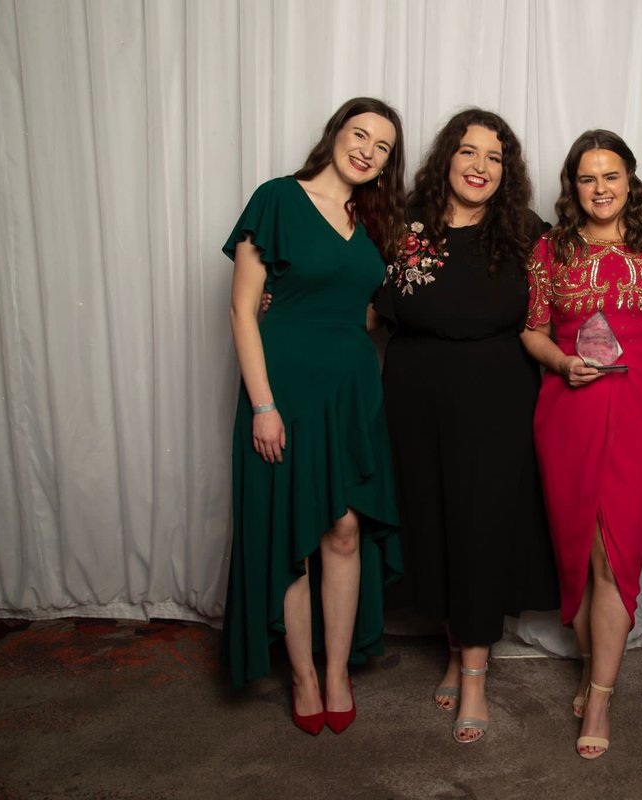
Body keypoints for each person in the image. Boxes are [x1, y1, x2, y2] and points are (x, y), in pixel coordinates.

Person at [221, 97, 407, 736]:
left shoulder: (374, 221)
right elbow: (244, 309)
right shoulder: (276, 198)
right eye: (360, 135)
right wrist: (264, 405)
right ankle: (302, 675)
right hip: (287, 390)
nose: (368, 150)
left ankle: (337, 670)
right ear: (335, 134)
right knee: (293, 537)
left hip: (353, 392)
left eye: (382, 146)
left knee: (346, 530)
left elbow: (364, 310)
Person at [374, 108, 559, 744]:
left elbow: (583, 286)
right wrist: (278, 298)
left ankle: (476, 675)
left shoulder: (528, 232)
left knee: (481, 530)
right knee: (437, 526)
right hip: (415, 402)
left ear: (507, 172)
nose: (480, 167)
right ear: (446, 158)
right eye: (468, 152)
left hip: (496, 403)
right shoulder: (404, 226)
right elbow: (364, 301)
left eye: (495, 157)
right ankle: (455, 649)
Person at [521, 130, 642, 760]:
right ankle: (594, 670)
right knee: (581, 558)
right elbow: (531, 332)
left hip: (639, 409)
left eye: (611, 175)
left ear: (630, 180)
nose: (601, 188)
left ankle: (604, 693)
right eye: (588, 178)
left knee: (617, 556)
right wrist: (561, 361)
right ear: (573, 187)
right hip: (569, 410)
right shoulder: (549, 249)